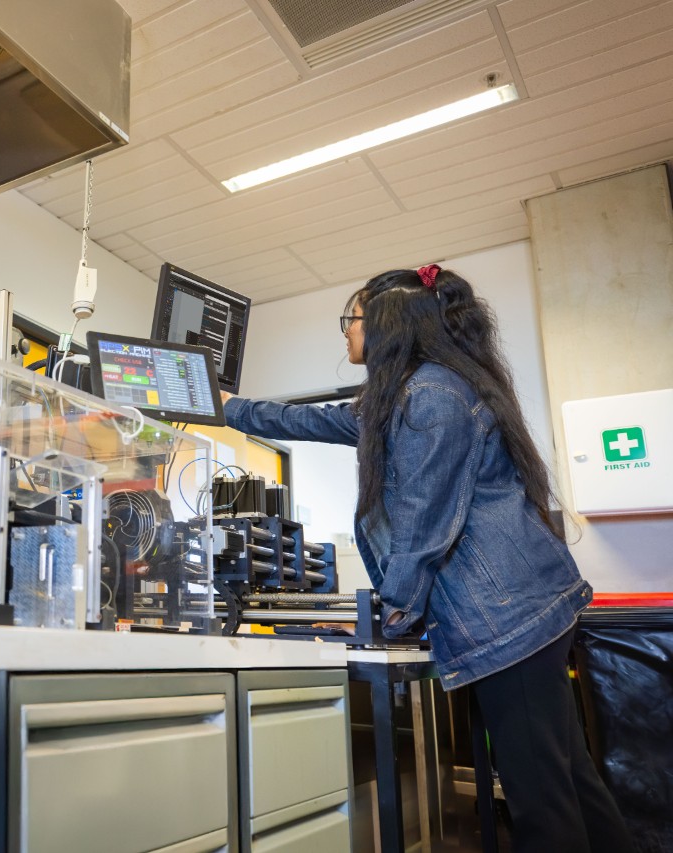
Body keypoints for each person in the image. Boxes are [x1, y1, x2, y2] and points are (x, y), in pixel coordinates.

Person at [221, 265, 634, 853]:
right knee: (568, 776)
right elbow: (308, 420)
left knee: (542, 798)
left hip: (509, 617)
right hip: (525, 609)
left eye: (351, 320)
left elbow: (423, 521)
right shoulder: (408, 396)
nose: (346, 333)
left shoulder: (430, 397)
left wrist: (393, 615)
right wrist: (229, 407)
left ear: (384, 325)